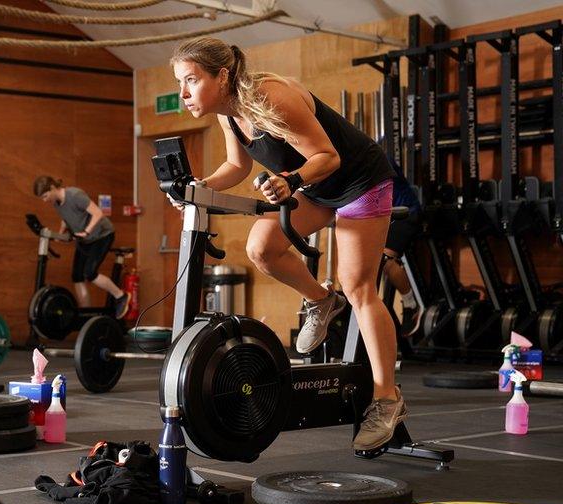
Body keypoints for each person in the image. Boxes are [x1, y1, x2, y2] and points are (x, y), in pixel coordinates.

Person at [170, 37, 404, 451]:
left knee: (358, 286)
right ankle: (320, 300)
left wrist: (291, 181)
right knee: (262, 249)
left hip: (358, 181)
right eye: (180, 82)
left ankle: (387, 398)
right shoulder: (229, 113)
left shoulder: (269, 97)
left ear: (222, 76)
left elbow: (328, 157)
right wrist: (198, 189)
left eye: (191, 80)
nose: (184, 93)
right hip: (316, 188)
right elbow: (235, 166)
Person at [33, 176, 130, 319]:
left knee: (90, 273)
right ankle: (86, 314)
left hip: (102, 235)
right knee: (77, 276)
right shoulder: (56, 203)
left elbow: (98, 213)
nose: (44, 200)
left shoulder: (74, 195)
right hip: (85, 240)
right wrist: (61, 234)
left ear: (53, 188)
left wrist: (86, 232)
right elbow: (66, 218)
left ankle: (121, 296)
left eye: (45, 196)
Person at [382, 160, 424, 337]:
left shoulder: (376, 159)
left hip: (405, 214)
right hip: (385, 217)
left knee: (384, 261)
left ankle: (411, 304)